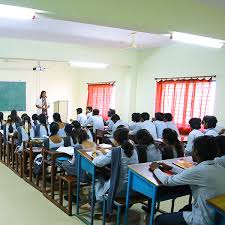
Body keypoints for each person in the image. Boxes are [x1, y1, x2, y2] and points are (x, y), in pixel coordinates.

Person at [150, 136, 225, 225]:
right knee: (184, 209)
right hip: (218, 216)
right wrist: (171, 168)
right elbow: (191, 174)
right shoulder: (219, 168)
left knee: (159, 220)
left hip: (203, 219)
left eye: (192, 149)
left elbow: (168, 181)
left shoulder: (198, 170)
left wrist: (156, 169)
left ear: (196, 151)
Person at [81, 128, 138, 210]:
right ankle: (97, 204)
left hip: (119, 188)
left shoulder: (116, 151)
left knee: (98, 178)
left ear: (116, 140)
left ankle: (98, 205)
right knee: (105, 175)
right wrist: (105, 153)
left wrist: (94, 153)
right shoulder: (133, 150)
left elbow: (98, 162)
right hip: (132, 186)